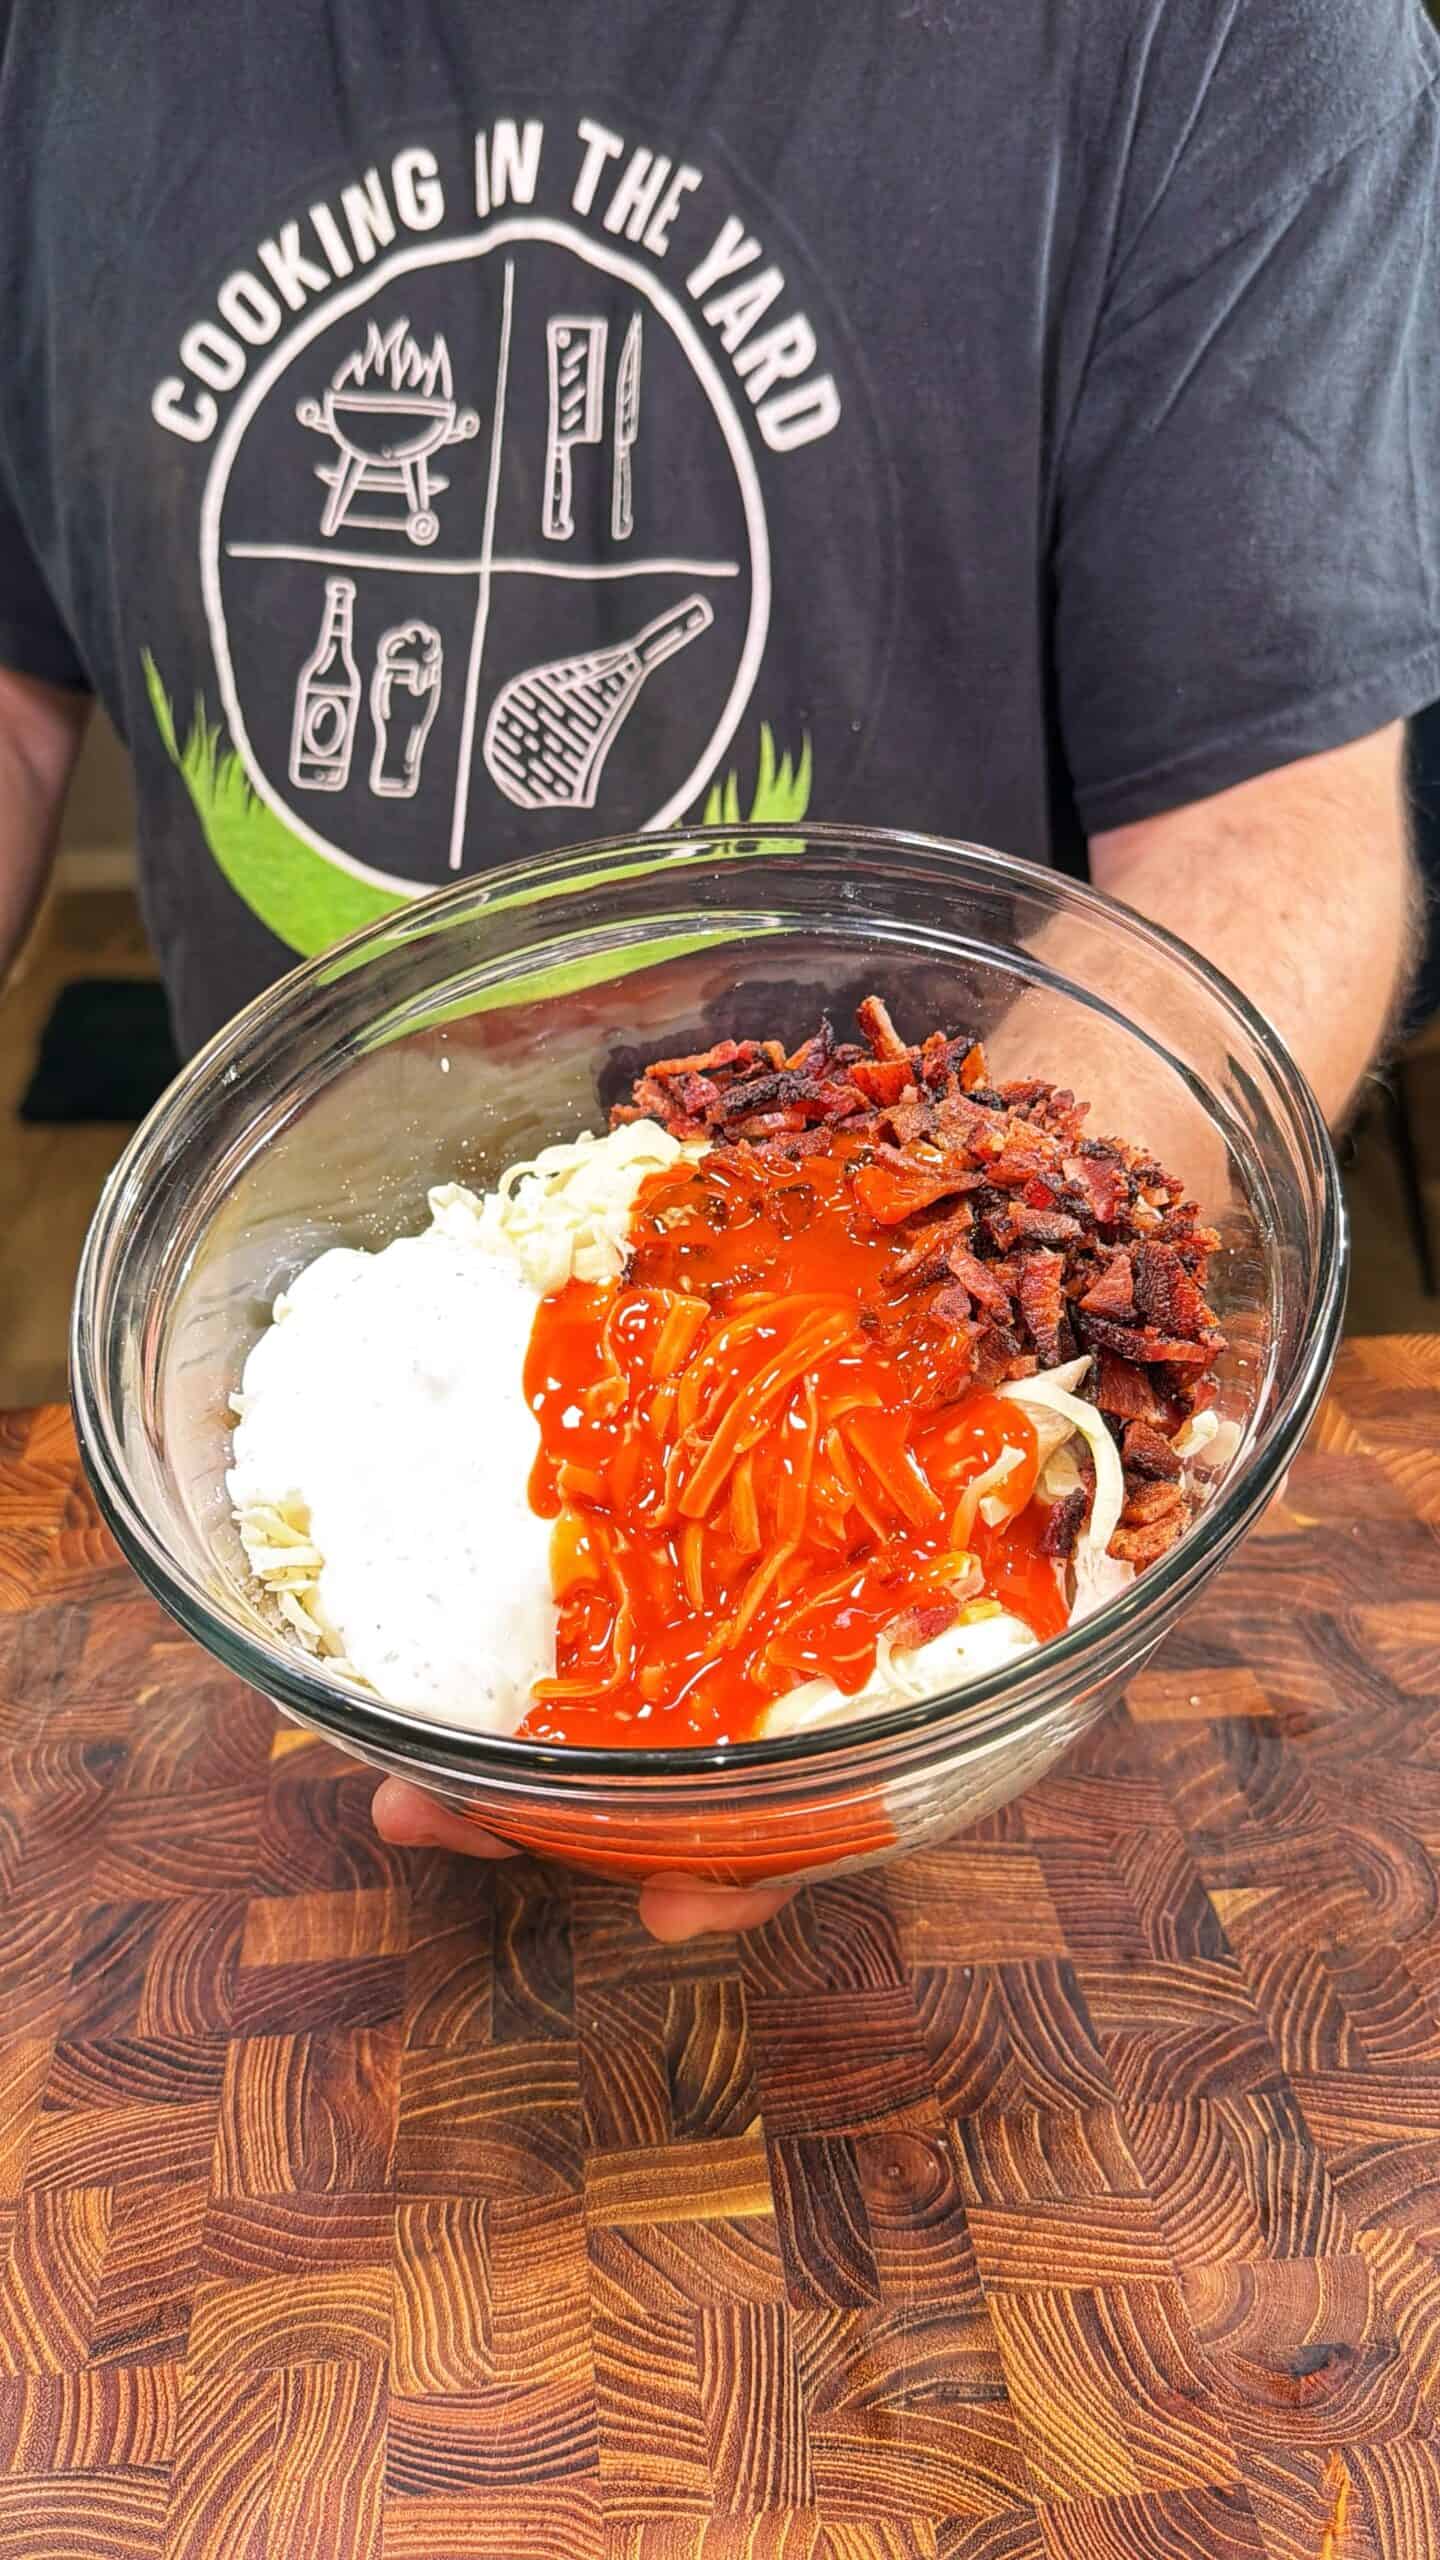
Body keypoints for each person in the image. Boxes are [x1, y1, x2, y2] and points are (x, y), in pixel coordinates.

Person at [3, 0, 1437, 1937]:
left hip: (1002, 1742)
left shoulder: (1223, 37)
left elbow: (1270, 828)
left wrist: (877, 1443)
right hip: (293, 1401)